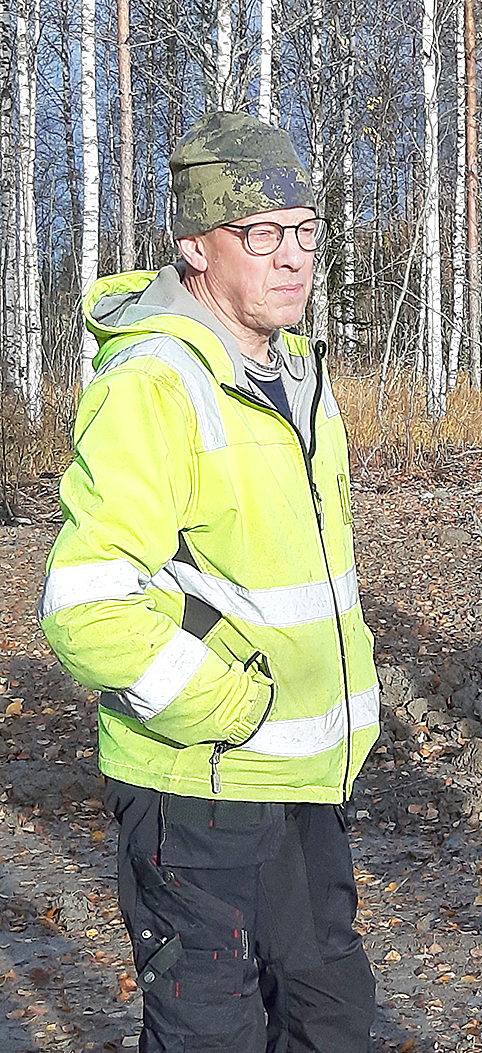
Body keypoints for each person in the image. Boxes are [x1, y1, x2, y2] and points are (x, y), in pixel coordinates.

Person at [38, 111, 380, 1052]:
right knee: (209, 1029)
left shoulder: (295, 373)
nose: (292, 256)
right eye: (260, 234)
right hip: (201, 783)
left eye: (306, 231)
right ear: (195, 246)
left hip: (304, 778)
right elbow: (84, 607)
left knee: (328, 1014)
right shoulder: (156, 382)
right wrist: (231, 707)